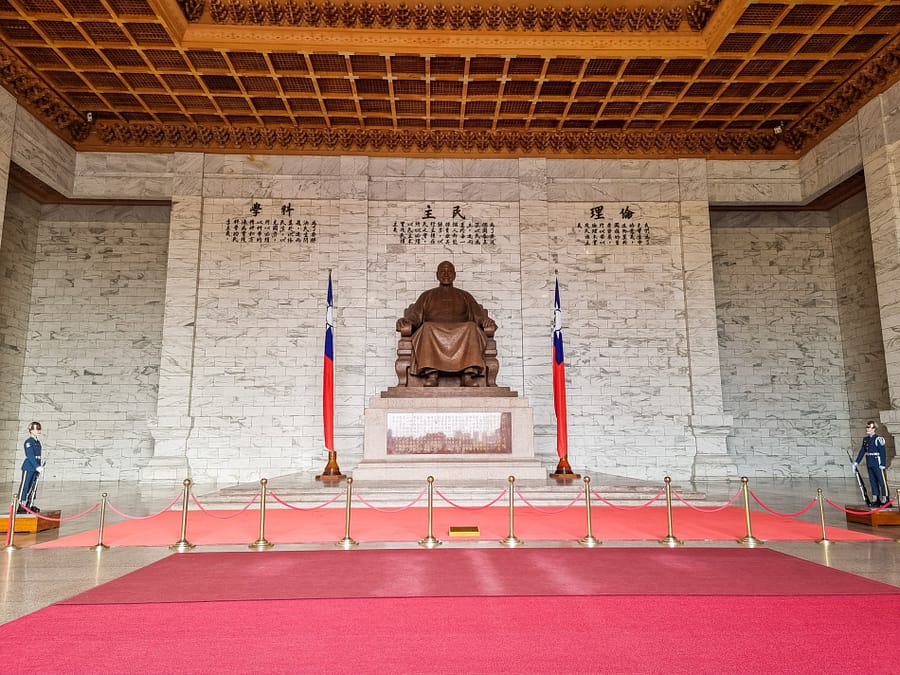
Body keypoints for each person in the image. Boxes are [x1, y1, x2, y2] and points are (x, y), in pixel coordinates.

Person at [397, 260, 497, 387]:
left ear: (454, 275)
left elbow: (478, 317)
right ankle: (432, 374)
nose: (446, 274)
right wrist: (406, 321)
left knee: (471, 327)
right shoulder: (427, 295)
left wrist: (485, 321)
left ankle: (468, 375)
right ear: (437, 275)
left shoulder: (465, 296)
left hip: (462, 332)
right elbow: (415, 316)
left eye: (449, 271)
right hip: (433, 331)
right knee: (427, 327)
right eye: (442, 271)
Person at [853, 420, 887, 506]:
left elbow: (882, 452)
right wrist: (856, 462)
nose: (867, 428)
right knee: (872, 481)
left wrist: (883, 464)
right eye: (867, 427)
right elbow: (862, 451)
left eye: (869, 427)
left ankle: (885, 497)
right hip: (870, 461)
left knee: (881, 480)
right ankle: (875, 497)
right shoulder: (866, 439)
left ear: (874, 429)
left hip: (877, 462)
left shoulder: (878, 439)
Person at [17, 421, 44, 514]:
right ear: (31, 430)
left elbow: (38, 456)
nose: (38, 430)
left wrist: (39, 467)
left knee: (33, 487)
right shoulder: (29, 442)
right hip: (29, 467)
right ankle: (21, 505)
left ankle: (29, 504)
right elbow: (30, 455)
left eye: (39, 428)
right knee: (25, 486)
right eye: (37, 428)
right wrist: (36, 466)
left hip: (36, 468)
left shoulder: (37, 442)